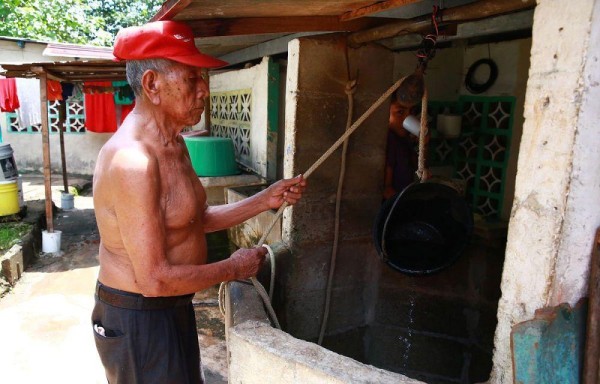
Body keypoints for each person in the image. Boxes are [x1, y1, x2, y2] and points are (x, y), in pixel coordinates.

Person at [91, 20, 306, 384]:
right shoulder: (134, 161)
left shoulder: (175, 144)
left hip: (172, 305)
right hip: (140, 315)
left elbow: (196, 218)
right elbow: (154, 280)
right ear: (152, 84)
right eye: (192, 79)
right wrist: (233, 267)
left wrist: (264, 200)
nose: (204, 90)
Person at [383, 94, 419, 200]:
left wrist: (424, 143)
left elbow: (420, 169)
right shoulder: (389, 140)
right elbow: (386, 190)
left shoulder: (404, 139)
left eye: (411, 112)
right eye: (400, 112)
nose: (407, 118)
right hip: (393, 208)